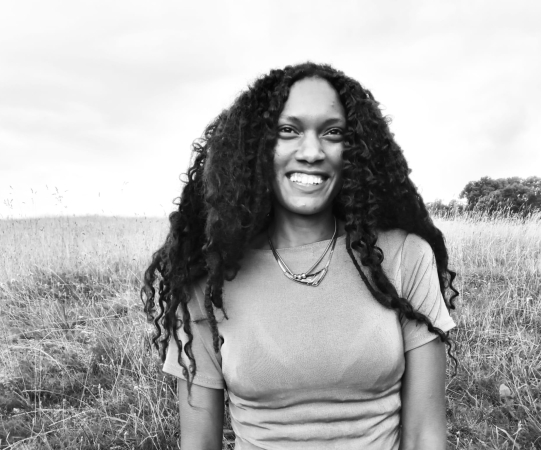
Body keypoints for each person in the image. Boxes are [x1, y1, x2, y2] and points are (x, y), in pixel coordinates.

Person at [142, 62, 458, 450]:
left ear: (355, 149)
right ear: (257, 147)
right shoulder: (211, 275)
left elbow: (425, 434)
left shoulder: (404, 256)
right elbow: (198, 443)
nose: (312, 152)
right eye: (287, 131)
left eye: (333, 132)